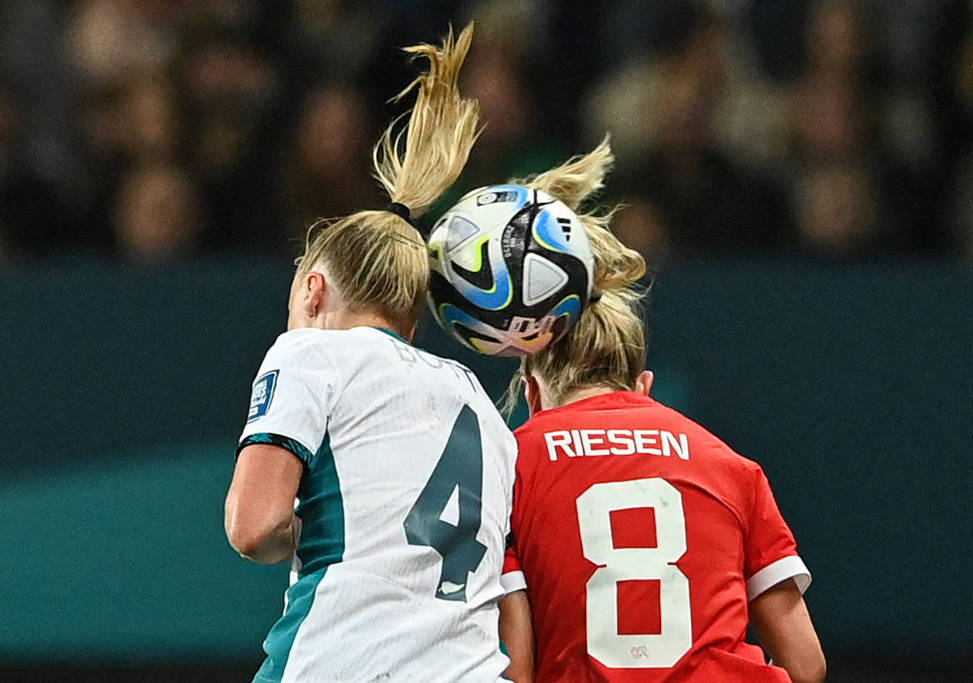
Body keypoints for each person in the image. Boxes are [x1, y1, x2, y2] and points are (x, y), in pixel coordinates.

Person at [224, 25, 519, 682]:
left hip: (345, 662)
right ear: (410, 324)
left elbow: (253, 526)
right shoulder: (477, 397)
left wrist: (327, 529)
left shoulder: (309, 355)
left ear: (313, 289)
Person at [496, 140, 825, 682]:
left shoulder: (510, 466)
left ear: (533, 394)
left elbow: (517, 670)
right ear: (645, 388)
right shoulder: (731, 465)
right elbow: (806, 664)